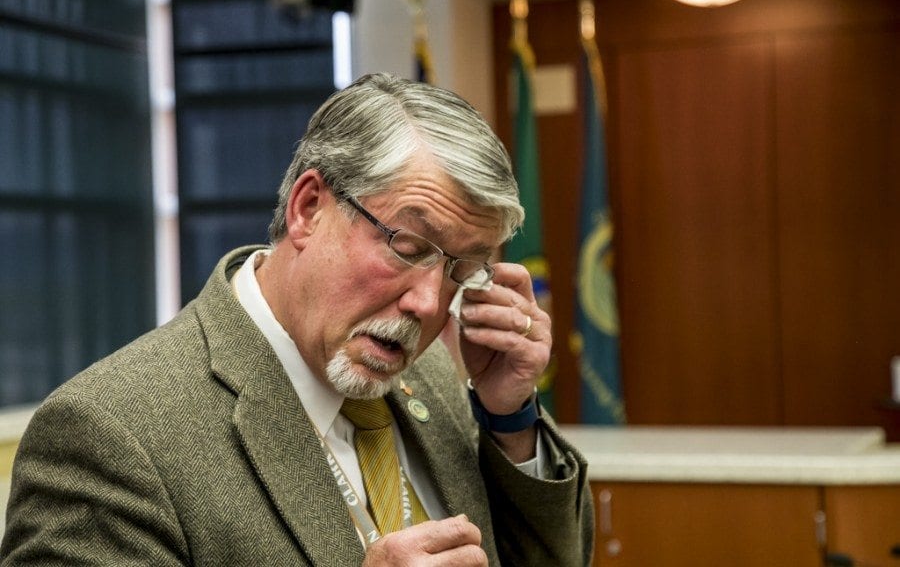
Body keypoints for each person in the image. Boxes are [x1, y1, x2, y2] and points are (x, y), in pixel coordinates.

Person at [1, 73, 594, 566]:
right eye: (409, 248)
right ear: (308, 208)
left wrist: (510, 418)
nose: (428, 304)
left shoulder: (437, 378)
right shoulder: (110, 434)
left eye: (461, 271)